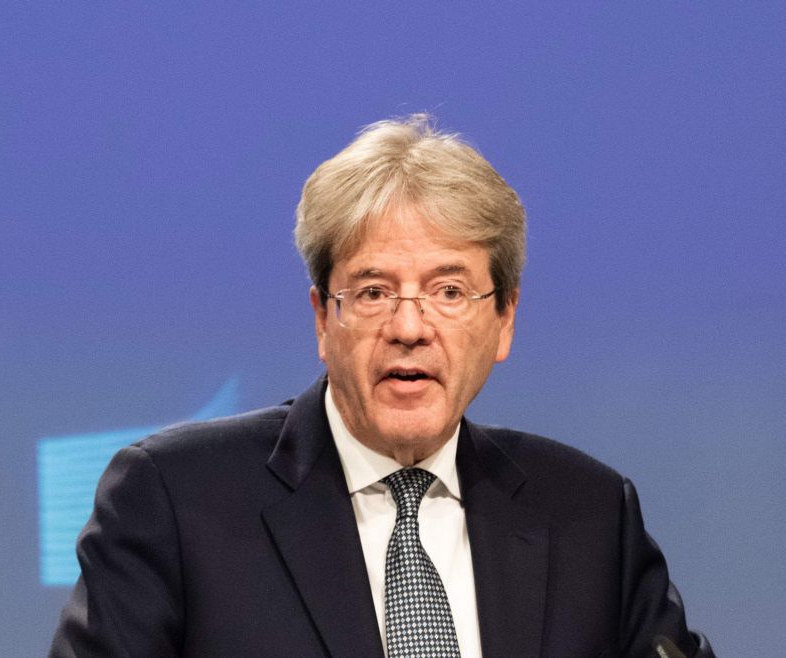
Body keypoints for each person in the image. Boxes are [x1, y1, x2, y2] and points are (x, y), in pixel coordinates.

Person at [50, 115, 714, 657]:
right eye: (373, 292)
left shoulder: (590, 515)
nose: (409, 327)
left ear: (504, 320)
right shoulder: (173, 500)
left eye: (448, 291)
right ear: (322, 318)